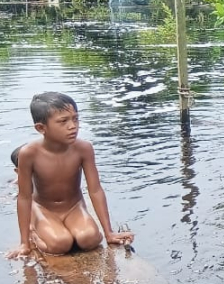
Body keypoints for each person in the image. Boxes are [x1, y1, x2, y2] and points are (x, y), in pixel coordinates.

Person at [7, 92, 134, 258]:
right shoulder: (29, 154)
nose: (72, 126)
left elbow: (95, 190)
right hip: (44, 208)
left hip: (74, 206)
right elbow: (24, 197)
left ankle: (71, 228)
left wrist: (108, 232)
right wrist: (24, 243)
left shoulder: (84, 148)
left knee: (90, 239)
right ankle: (35, 230)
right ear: (41, 128)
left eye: (75, 118)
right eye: (63, 121)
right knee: (60, 244)